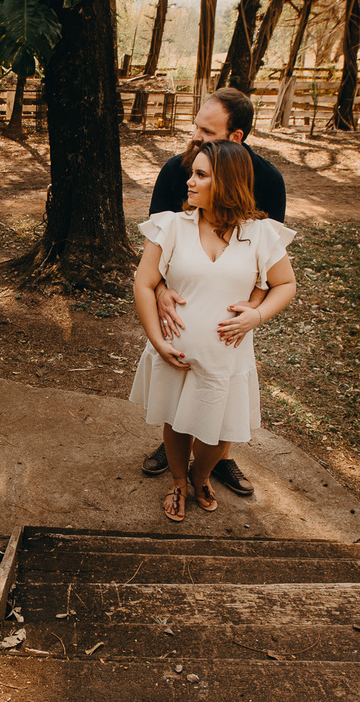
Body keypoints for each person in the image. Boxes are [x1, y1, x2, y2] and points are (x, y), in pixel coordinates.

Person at [129, 140, 297, 521]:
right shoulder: (171, 226)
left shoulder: (261, 234)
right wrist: (157, 340)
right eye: (193, 173)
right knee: (175, 421)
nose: (189, 181)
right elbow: (144, 283)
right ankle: (177, 480)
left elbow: (286, 284)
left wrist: (257, 315)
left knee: (218, 432)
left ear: (227, 183)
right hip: (176, 352)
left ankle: (200, 475)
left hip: (228, 357)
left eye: (200, 175)